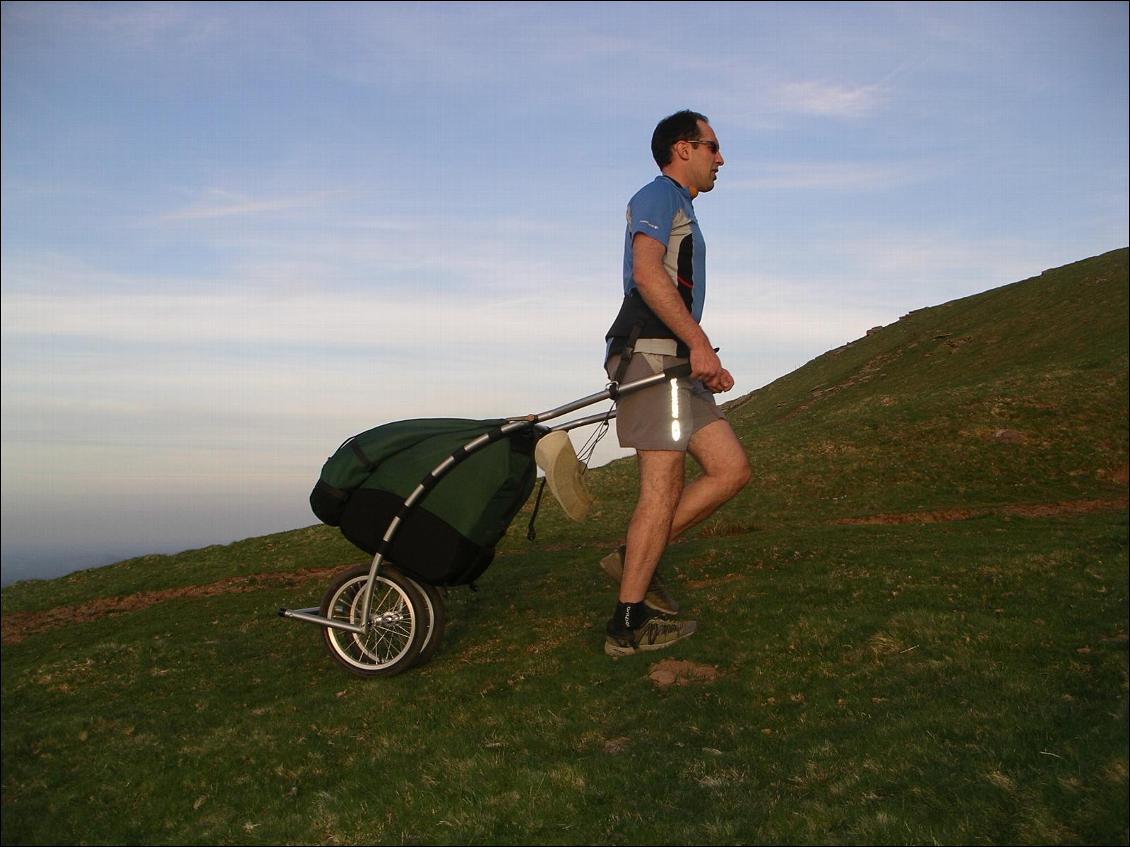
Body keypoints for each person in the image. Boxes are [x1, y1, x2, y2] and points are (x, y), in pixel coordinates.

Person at [601, 110, 750, 658]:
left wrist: (700, 351)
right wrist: (699, 342)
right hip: (653, 358)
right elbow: (647, 274)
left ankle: (631, 556)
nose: (721, 159)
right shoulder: (659, 194)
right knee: (661, 487)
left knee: (732, 469)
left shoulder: (681, 206)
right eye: (713, 147)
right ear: (683, 149)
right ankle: (627, 625)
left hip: (679, 361)